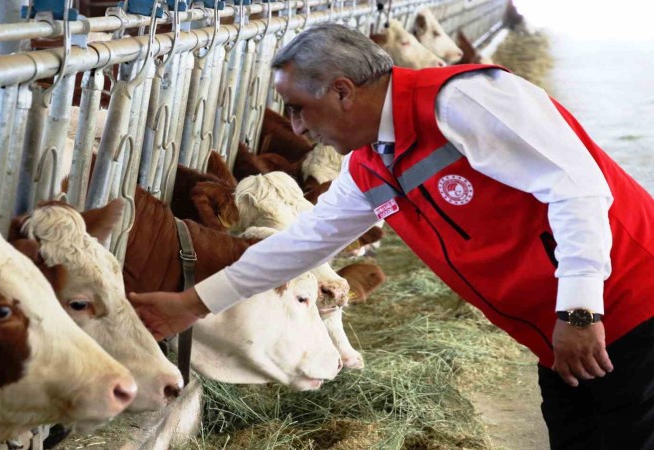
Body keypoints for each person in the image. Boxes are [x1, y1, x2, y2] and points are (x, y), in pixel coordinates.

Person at [128, 23, 654, 449]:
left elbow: (578, 189)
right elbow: (299, 244)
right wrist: (192, 305)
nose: (298, 127)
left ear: (342, 90)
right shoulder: (369, 164)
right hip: (555, 329)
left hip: (627, 304)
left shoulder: (465, 101)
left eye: (298, 108)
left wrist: (580, 310)